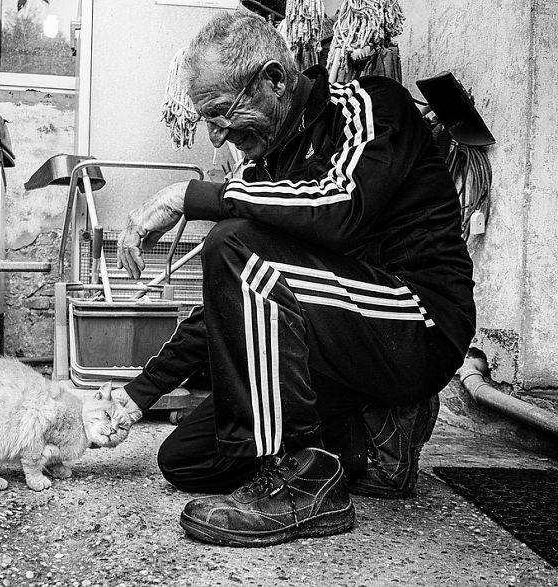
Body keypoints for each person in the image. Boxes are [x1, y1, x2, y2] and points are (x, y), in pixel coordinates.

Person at [110, 8, 475, 548]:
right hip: (340, 338)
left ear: (274, 81)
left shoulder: (368, 106)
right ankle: (371, 436)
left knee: (233, 241)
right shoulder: (261, 173)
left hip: (414, 320)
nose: (215, 138)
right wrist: (137, 394)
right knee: (189, 458)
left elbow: (340, 206)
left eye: (220, 115)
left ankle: (305, 480)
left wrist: (191, 196)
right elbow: (228, 305)